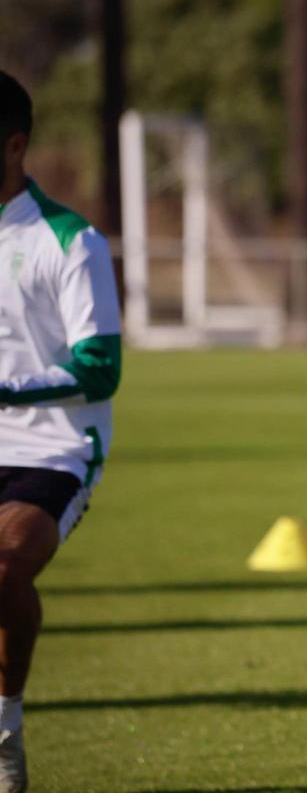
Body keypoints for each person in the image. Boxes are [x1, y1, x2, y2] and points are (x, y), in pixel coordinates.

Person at [0, 70, 122, 792]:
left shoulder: (71, 241)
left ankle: (4, 731)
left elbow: (100, 367)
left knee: (6, 565)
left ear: (16, 144)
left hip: (53, 447)